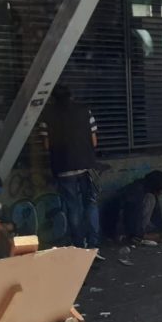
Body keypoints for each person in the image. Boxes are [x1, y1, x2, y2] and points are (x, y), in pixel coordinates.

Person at [38, 84, 102, 255]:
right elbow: (94, 141)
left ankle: (79, 246)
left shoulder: (47, 115)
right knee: (91, 204)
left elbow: (46, 145)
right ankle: (94, 245)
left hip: (63, 167)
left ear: (53, 98)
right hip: (87, 164)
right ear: (71, 96)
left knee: (73, 207)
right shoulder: (84, 111)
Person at [101, 171, 162, 244]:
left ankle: (136, 235)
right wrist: (143, 235)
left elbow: (156, 216)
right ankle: (128, 237)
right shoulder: (136, 193)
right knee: (150, 198)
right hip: (118, 227)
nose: (161, 193)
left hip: (131, 225)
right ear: (155, 187)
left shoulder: (148, 190)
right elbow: (131, 218)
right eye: (161, 190)